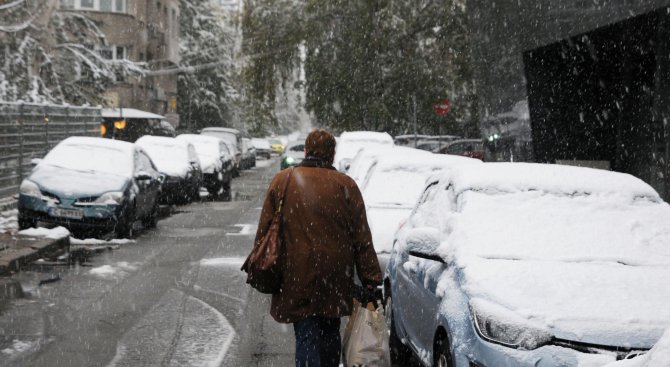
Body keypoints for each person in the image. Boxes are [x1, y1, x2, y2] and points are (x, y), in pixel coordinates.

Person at [253, 129, 383, 367]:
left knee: (306, 334)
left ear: (306, 150)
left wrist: (266, 263)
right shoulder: (345, 186)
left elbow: (265, 232)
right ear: (332, 155)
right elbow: (361, 238)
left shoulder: (284, 181)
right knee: (330, 333)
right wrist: (371, 278)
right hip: (335, 276)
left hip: (297, 274)